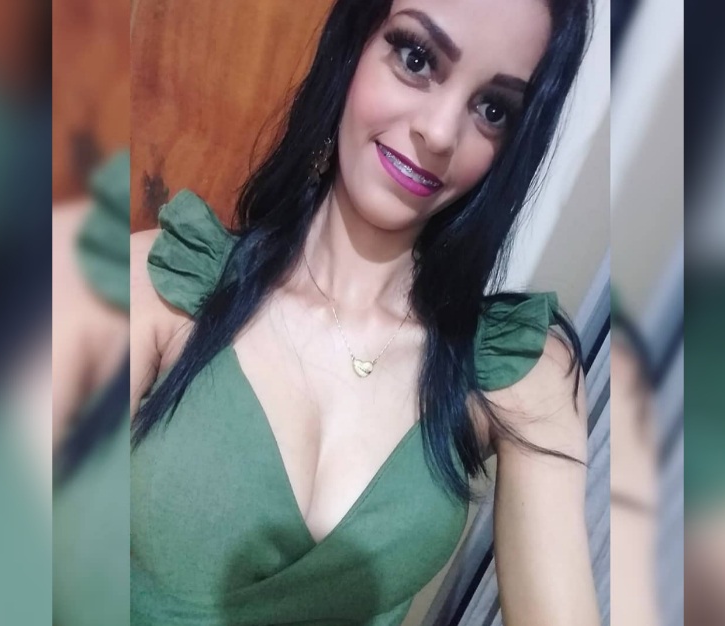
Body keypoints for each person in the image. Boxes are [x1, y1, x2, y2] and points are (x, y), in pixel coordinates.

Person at [127, 0, 600, 623]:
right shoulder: (162, 284)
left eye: (492, 109)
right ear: (353, 44)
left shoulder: (518, 374)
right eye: (416, 58)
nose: (440, 132)